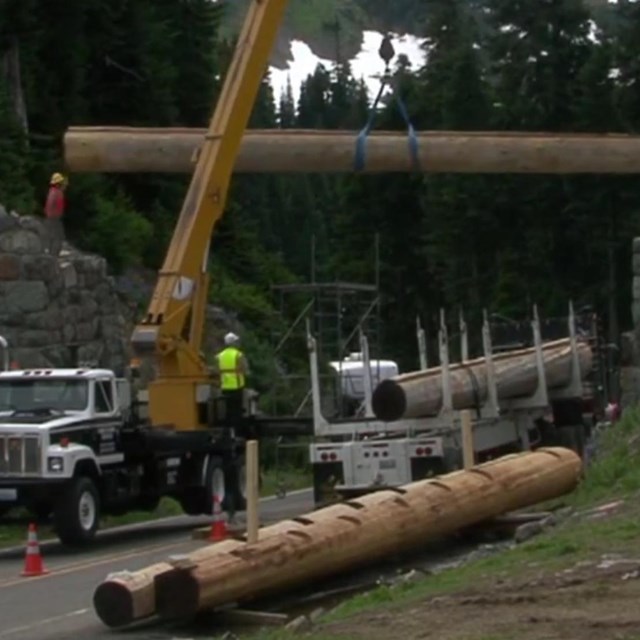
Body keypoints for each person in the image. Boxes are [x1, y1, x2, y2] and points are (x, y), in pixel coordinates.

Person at [216, 332, 249, 423]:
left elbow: (217, 370)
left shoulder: (220, 356)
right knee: (237, 410)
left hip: (225, 386)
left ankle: (228, 428)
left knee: (228, 409)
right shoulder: (238, 355)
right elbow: (245, 369)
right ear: (233, 343)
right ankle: (236, 430)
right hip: (237, 386)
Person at [44, 172, 68, 256]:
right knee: (58, 236)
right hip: (55, 217)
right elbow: (59, 206)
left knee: (51, 236)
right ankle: (54, 255)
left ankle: (51, 253)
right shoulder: (58, 193)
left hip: (49, 217)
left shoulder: (51, 191)